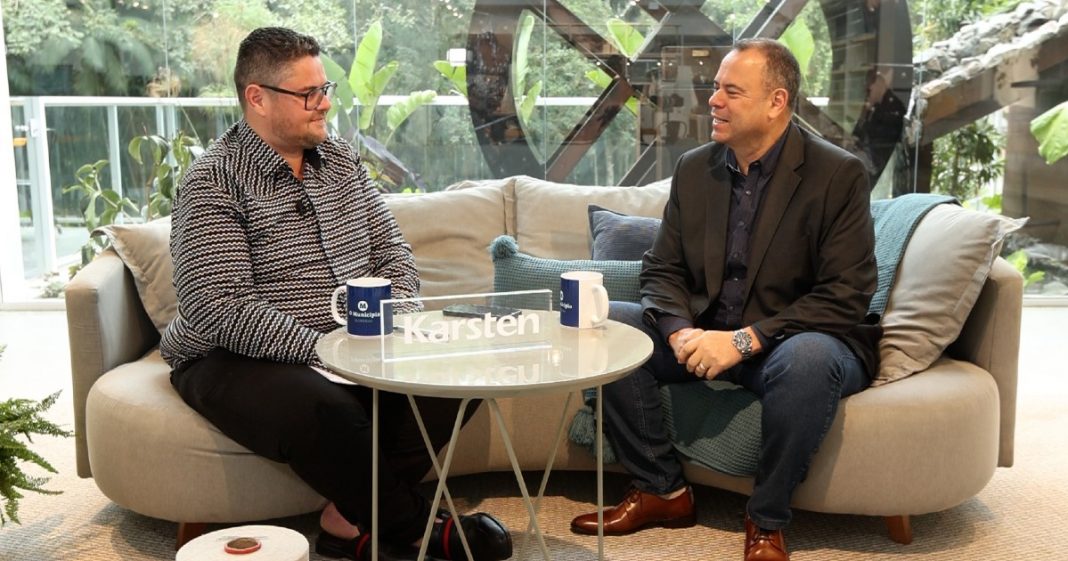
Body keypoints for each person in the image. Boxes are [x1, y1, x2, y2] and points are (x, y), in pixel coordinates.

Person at [159, 27, 512, 561]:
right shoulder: (214, 181)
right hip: (228, 356)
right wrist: (328, 353)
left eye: (325, 89)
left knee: (457, 373)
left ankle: (346, 521)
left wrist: (399, 323)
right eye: (309, 94)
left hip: (345, 343)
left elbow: (394, 252)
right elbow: (220, 308)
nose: (324, 103)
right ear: (257, 98)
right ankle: (415, 526)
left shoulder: (341, 162)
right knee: (321, 406)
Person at [569, 39, 881, 561]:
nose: (713, 100)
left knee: (809, 359)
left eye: (731, 91)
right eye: (715, 87)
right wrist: (678, 331)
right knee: (607, 326)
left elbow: (846, 294)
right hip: (705, 333)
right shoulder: (696, 169)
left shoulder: (838, 175)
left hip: (791, 342)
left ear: (776, 102)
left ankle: (766, 520)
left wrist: (744, 339)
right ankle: (661, 489)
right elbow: (663, 268)